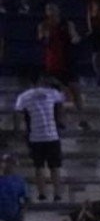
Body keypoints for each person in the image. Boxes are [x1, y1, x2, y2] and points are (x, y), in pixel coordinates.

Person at [15, 74, 66, 202]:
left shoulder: (24, 96)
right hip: (52, 135)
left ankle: (42, 193)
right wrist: (60, 120)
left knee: (39, 167)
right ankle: (57, 194)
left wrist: (20, 130)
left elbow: (18, 114)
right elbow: (62, 101)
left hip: (35, 137)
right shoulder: (52, 93)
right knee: (54, 167)